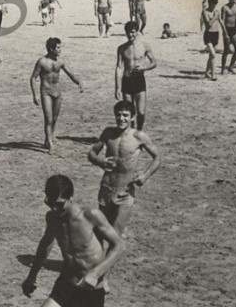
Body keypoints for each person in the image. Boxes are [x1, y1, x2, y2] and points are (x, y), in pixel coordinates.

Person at [21, 174, 126, 307]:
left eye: (59, 204)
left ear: (71, 197)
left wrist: (95, 274)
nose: (54, 208)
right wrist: (32, 276)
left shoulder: (90, 215)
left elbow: (119, 246)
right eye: (50, 203)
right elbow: (45, 245)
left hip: (91, 288)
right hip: (66, 284)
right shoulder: (52, 217)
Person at [87, 100, 161, 235]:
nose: (121, 118)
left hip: (125, 191)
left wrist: (145, 175)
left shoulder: (139, 136)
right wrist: (100, 162)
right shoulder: (108, 133)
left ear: (132, 117)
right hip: (106, 188)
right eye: (118, 115)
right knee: (100, 232)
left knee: (115, 234)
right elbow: (92, 153)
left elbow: (157, 158)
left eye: (125, 115)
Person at [30, 37, 84, 154]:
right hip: (46, 92)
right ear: (51, 49)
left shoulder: (61, 61)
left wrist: (79, 82)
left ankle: (47, 139)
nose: (60, 50)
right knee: (48, 119)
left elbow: (71, 74)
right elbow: (33, 77)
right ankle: (50, 144)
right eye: (58, 47)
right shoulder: (42, 62)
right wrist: (35, 95)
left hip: (58, 92)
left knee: (54, 119)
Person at [114, 21, 156, 130]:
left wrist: (144, 68)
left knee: (141, 112)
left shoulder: (145, 46)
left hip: (139, 80)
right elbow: (119, 68)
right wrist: (117, 88)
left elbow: (154, 63)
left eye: (132, 32)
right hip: (127, 81)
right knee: (129, 112)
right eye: (128, 32)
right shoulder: (122, 48)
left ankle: (139, 131)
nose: (130, 35)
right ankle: (130, 133)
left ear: (137, 32)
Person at [202, 0, 225, 81]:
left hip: (216, 34)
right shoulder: (205, 12)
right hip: (208, 34)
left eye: (215, 5)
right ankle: (213, 75)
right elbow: (208, 25)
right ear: (209, 4)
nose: (214, 6)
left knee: (211, 56)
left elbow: (221, 22)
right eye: (212, 5)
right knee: (213, 54)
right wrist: (215, 17)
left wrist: (225, 33)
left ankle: (206, 72)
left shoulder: (217, 11)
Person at [220, 0, 236, 74]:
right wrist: (225, 33)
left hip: (234, 29)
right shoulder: (225, 7)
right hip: (227, 29)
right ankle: (223, 68)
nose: (233, 0)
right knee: (226, 51)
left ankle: (231, 66)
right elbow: (223, 21)